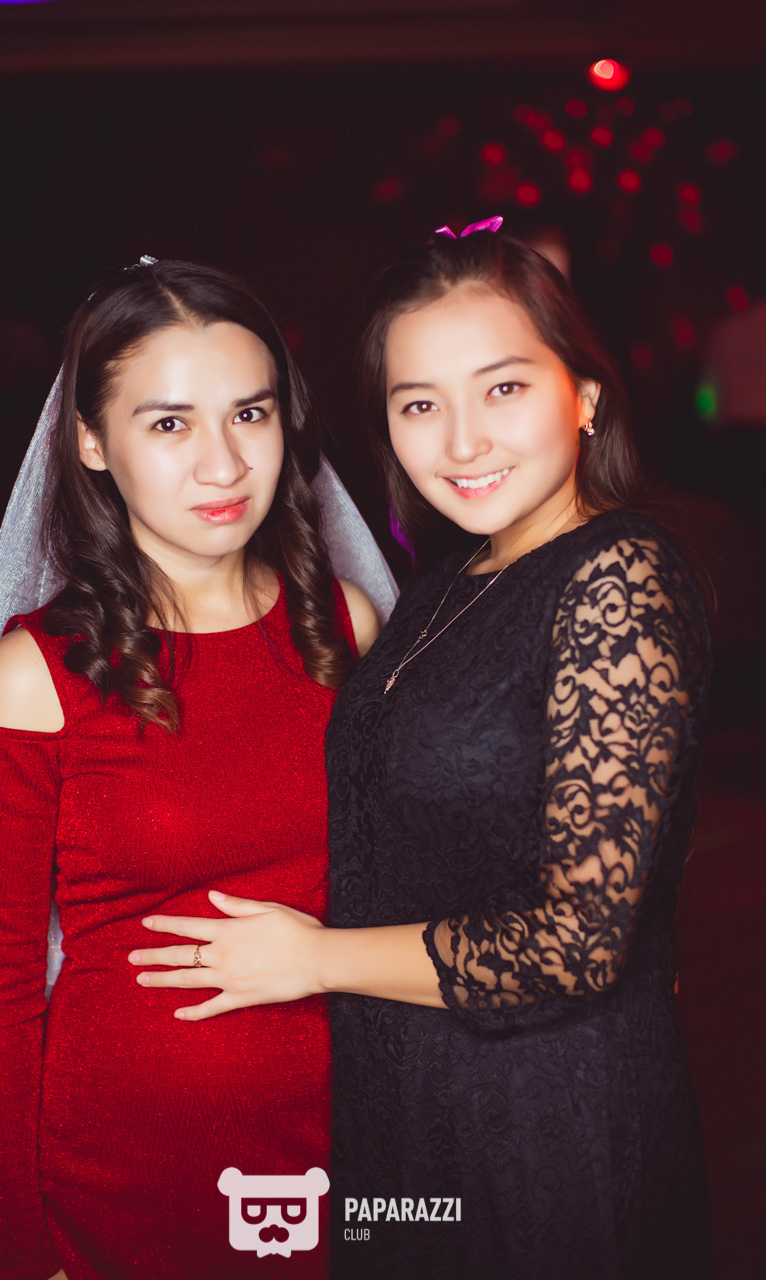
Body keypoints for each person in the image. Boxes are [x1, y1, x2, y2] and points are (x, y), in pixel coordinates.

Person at [133, 225, 713, 1279]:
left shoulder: (616, 575)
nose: (461, 442)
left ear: (584, 394)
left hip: (542, 1125)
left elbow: (577, 943)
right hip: (401, 1103)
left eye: (502, 389)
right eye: (419, 405)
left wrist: (312, 958)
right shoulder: (448, 583)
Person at [0, 257, 398, 1280]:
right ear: (92, 442)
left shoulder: (347, 630)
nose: (222, 464)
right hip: (121, 1182)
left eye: (249, 414)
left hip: (347, 1142)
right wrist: (25, 1253)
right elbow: (1, 998)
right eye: (169, 423)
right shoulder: (37, 675)